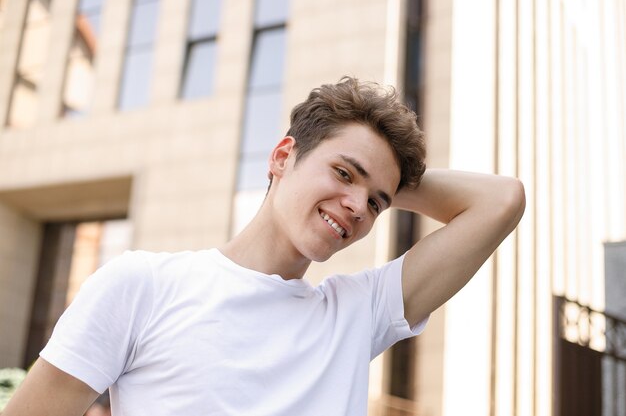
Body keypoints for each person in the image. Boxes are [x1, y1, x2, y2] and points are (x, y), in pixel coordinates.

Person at [3, 77, 525, 416]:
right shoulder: (142, 284)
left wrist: (386, 173)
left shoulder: (353, 315)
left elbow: (501, 201)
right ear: (282, 155)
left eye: (376, 203)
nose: (357, 207)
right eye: (342, 173)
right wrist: (371, 170)